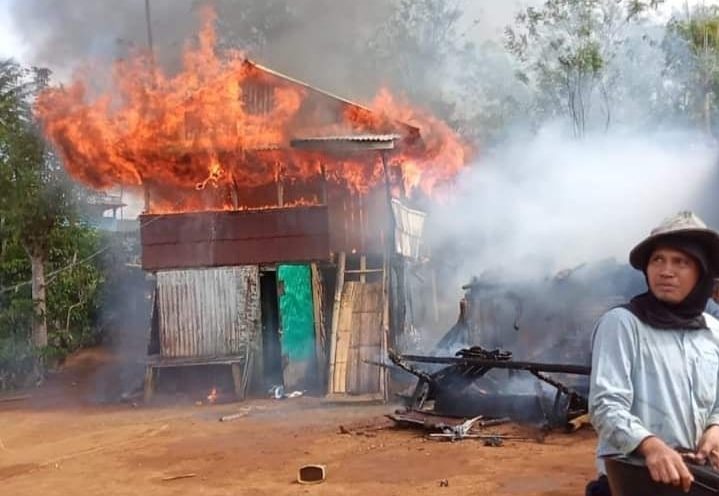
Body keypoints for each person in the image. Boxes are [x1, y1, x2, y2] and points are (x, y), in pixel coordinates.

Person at [586, 211, 719, 495]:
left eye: (680, 262)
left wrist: (715, 428)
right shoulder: (623, 324)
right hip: (634, 482)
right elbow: (605, 405)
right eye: (657, 260)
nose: (665, 271)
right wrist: (650, 446)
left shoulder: (713, 331)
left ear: (701, 272)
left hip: (695, 480)